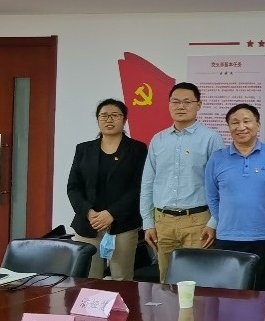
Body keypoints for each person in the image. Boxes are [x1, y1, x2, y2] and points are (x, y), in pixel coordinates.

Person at [140, 82, 223, 283]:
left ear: (199, 105)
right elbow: (148, 183)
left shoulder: (211, 138)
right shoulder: (158, 139)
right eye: (175, 102)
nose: (181, 106)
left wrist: (213, 222)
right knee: (166, 282)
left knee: (198, 283)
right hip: (163, 222)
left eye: (187, 102)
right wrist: (148, 222)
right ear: (169, 104)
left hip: (198, 221)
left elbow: (221, 185)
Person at [204, 103, 265, 291]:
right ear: (229, 127)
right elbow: (212, 197)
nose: (241, 127)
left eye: (247, 121)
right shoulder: (217, 158)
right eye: (235, 122)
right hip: (228, 237)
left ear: (258, 125)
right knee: (230, 294)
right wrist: (225, 219)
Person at [67, 99, 148, 279]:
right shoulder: (83, 149)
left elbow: (139, 187)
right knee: (87, 279)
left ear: (124, 119)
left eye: (115, 115)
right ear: (97, 119)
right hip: (89, 223)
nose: (109, 119)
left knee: (121, 278)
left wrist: (112, 214)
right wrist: (89, 212)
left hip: (123, 224)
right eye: (104, 115)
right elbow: (73, 187)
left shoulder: (137, 149)